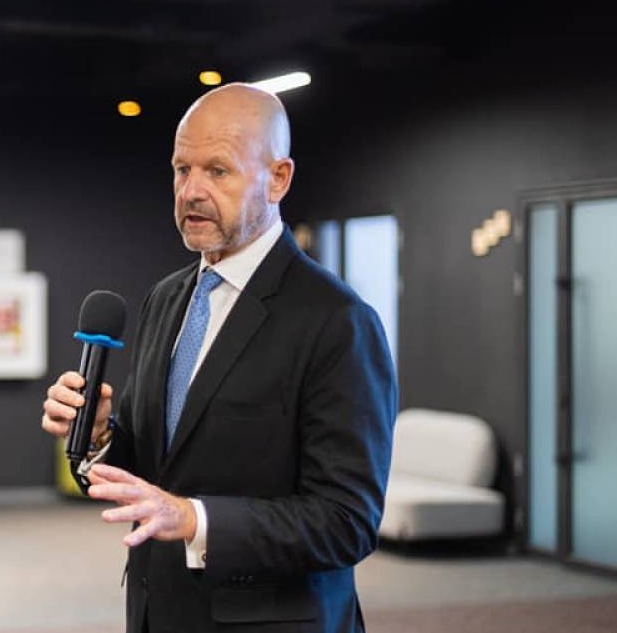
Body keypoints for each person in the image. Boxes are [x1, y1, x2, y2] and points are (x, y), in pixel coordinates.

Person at [42, 83, 396, 633]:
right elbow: (157, 472)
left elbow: (346, 522)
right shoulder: (166, 298)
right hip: (159, 613)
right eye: (182, 170)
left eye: (218, 171)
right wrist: (100, 434)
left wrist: (195, 519)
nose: (191, 191)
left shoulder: (338, 321)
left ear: (278, 179)